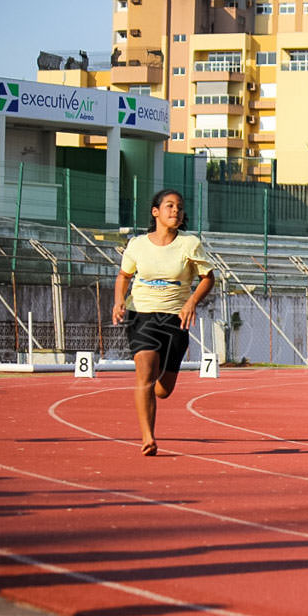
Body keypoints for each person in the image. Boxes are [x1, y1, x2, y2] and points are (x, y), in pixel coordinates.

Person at [112, 189, 215, 456]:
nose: (175, 211)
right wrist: (119, 301)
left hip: (175, 317)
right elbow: (124, 275)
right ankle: (148, 436)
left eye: (180, 207)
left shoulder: (189, 243)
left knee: (164, 390)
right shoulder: (137, 244)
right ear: (155, 211)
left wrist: (191, 302)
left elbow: (208, 277)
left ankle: (159, 388)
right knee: (144, 373)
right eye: (169, 206)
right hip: (142, 313)